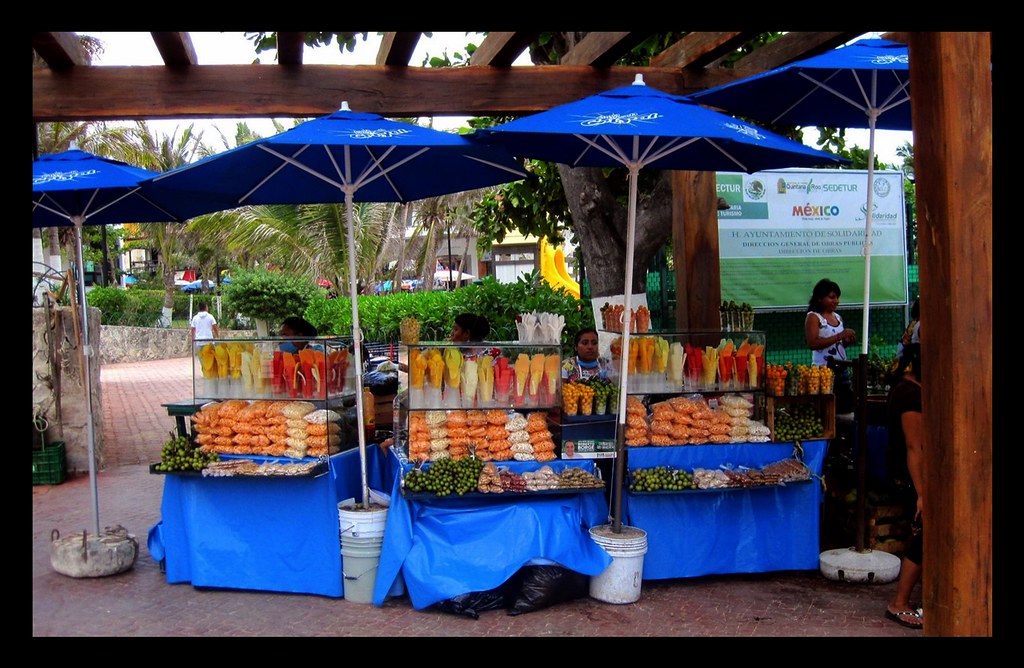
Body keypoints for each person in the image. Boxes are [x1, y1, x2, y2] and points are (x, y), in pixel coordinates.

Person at [884, 342, 925, 630]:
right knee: (923, 537)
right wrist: (922, 493)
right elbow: (914, 448)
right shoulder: (910, 395)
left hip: (916, 475)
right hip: (913, 477)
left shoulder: (910, 388)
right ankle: (899, 603)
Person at [805, 278, 856, 413]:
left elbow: (838, 345)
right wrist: (840, 336)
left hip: (842, 369)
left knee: (845, 407)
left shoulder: (838, 317)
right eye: (832, 297)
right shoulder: (814, 317)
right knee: (826, 409)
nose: (836, 301)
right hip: (823, 371)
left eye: (837, 297)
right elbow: (813, 343)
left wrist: (847, 341)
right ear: (820, 298)